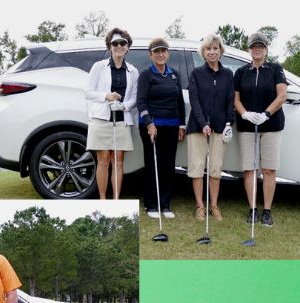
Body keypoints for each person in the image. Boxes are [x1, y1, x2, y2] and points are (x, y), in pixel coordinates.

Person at [234, 31, 287, 227]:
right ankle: (253, 210)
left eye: (261, 46)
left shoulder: (275, 69)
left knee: (269, 169)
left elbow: (281, 96)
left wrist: (266, 114)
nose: (257, 49)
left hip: (271, 125)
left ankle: (267, 211)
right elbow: (236, 99)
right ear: (249, 49)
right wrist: (244, 113)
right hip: (247, 126)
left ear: (266, 49)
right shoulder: (241, 72)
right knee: (249, 169)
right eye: (254, 46)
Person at [84, 28, 138, 200]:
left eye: (123, 43)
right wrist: (106, 96)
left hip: (122, 120)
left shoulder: (133, 71)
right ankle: (102, 199)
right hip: (101, 119)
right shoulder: (99, 67)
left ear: (127, 47)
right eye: (115, 43)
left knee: (118, 161)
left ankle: (116, 199)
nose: (119, 46)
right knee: (103, 160)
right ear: (109, 46)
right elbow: (88, 92)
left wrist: (124, 106)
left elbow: (135, 97)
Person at [186, 34, 235, 221]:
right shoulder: (196, 73)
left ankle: (214, 205)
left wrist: (229, 123)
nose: (212, 52)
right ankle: (200, 206)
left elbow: (230, 100)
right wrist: (203, 123)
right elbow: (194, 100)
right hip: (198, 128)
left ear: (221, 51)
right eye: (208, 49)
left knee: (216, 168)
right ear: (203, 53)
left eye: (215, 48)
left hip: (220, 128)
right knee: (197, 167)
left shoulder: (228, 74)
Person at [136, 37, 186, 219]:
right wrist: (149, 123)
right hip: (151, 127)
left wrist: (182, 123)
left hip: (172, 126)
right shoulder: (146, 75)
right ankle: (151, 204)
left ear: (168, 53)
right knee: (152, 165)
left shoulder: (174, 75)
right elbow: (140, 102)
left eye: (163, 51)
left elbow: (180, 101)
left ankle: (165, 204)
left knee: (167, 165)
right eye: (156, 51)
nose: (160, 54)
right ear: (151, 55)